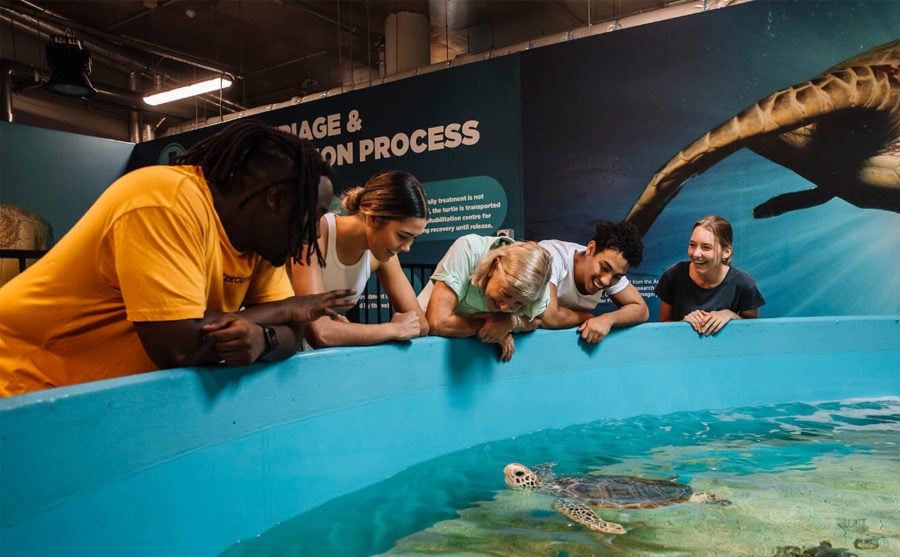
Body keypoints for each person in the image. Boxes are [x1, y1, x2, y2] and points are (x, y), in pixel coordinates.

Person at [0, 119, 356, 397]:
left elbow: (292, 335)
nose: (312, 235)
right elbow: (178, 346)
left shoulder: (261, 244)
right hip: (20, 382)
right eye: (313, 216)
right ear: (276, 199)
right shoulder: (164, 200)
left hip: (86, 393)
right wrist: (284, 310)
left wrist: (266, 338)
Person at [290, 171, 429, 347]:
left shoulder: (384, 255)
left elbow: (420, 325)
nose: (407, 248)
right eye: (402, 236)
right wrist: (394, 329)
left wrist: (351, 332)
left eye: (413, 238)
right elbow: (321, 333)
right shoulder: (317, 232)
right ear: (373, 218)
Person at [420, 234, 551, 361]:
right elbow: (437, 322)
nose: (504, 308)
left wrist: (512, 322)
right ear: (494, 267)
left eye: (518, 303)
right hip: (423, 336)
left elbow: (538, 320)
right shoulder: (468, 248)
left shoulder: (537, 284)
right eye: (505, 294)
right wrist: (493, 327)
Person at [538, 220, 648, 343]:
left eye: (617, 276)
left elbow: (641, 310)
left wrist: (608, 319)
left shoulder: (612, 267)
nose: (606, 281)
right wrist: (586, 316)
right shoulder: (550, 256)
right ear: (591, 249)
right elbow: (550, 317)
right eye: (604, 268)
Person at [655, 214, 764, 336]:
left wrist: (731, 315)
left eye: (706, 247)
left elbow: (752, 329)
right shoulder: (673, 276)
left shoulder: (744, 284)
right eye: (692, 245)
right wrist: (683, 324)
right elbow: (663, 325)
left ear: (726, 252)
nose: (696, 253)